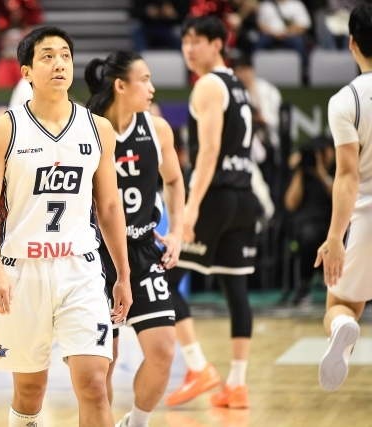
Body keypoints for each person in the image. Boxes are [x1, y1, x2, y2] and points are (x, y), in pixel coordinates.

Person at [0, 26, 132, 427]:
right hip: (22, 270)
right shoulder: (3, 129)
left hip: (80, 268)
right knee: (30, 391)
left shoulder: (98, 129)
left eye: (65, 55)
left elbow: (109, 206)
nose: (59, 63)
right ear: (26, 72)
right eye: (47, 56)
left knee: (94, 384)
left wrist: (123, 274)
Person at [85, 51, 185, 427]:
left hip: (142, 252)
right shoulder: (87, 129)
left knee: (163, 352)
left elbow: (173, 180)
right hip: (97, 258)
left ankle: (136, 423)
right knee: (101, 368)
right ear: (120, 86)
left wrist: (177, 231)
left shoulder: (157, 129)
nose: (152, 87)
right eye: (144, 79)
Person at [164, 15, 260, 409]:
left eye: (197, 41)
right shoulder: (238, 85)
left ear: (218, 44)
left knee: (163, 281)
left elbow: (208, 152)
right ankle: (236, 383)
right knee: (235, 288)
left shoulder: (207, 85)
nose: (189, 48)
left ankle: (197, 366)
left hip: (216, 197)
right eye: (185, 41)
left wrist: (190, 207)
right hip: (244, 197)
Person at [315, 2, 372, 392]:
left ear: (352, 42)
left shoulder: (345, 100)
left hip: (365, 214)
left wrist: (335, 237)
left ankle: (342, 327)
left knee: (340, 307)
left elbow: (348, 175)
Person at [284, 137, 334, 305]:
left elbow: (339, 196)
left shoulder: (336, 171)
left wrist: (321, 173)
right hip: (306, 225)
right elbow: (291, 204)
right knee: (308, 236)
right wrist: (299, 171)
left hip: (331, 224)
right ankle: (304, 287)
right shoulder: (301, 175)